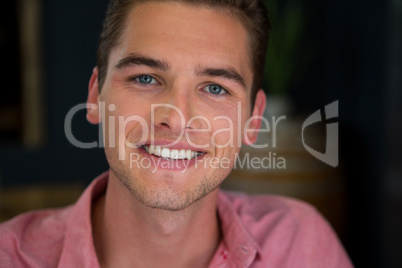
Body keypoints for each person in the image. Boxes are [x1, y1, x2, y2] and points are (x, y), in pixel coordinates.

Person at [0, 0, 353, 267]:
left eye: (215, 88)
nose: (176, 118)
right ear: (95, 95)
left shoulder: (303, 246)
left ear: (253, 119)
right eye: (145, 78)